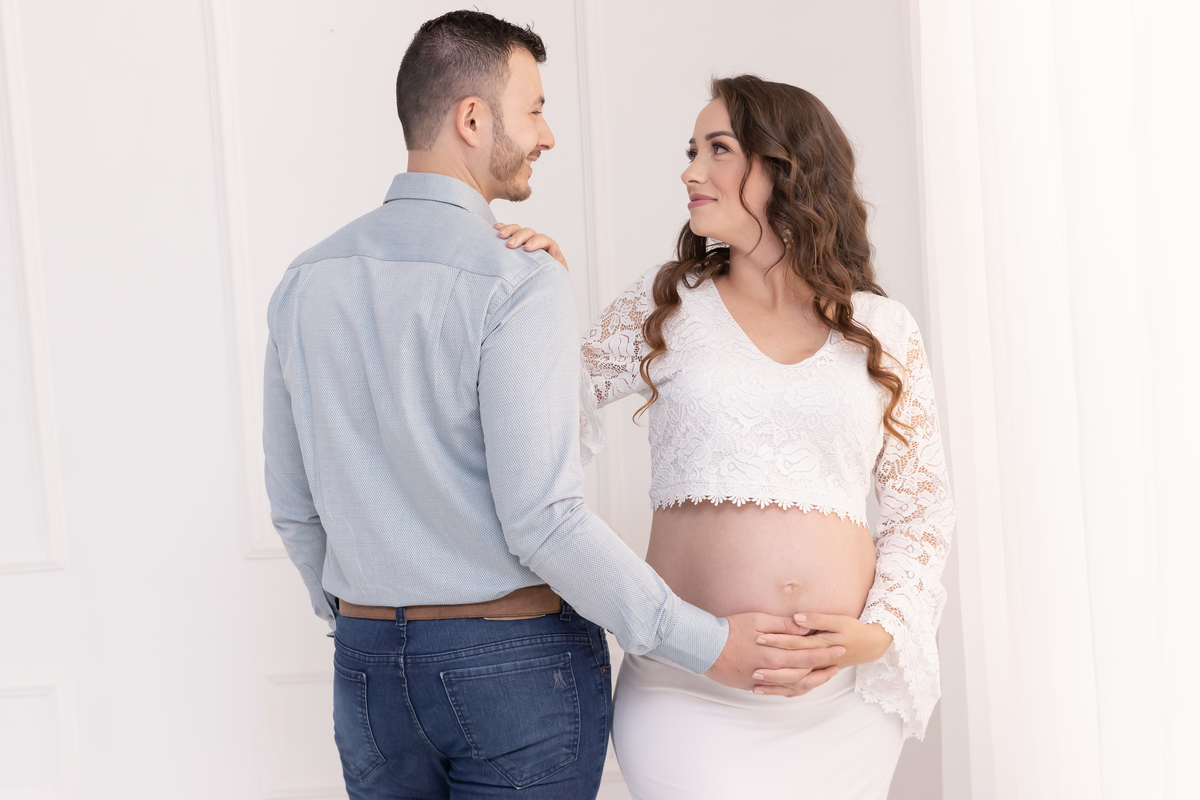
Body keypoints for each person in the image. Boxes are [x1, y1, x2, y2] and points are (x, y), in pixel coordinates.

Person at [262, 14, 840, 800]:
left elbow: (295, 511)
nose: (548, 135)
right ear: (472, 119)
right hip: (511, 667)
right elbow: (543, 518)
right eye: (534, 108)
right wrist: (706, 644)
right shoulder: (515, 281)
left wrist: (366, 621)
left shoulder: (306, 280)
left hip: (367, 671)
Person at [499, 75, 954, 799]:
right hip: (689, 691)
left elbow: (919, 511)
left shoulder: (883, 328)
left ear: (787, 166)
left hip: (844, 706)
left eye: (718, 149)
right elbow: (537, 416)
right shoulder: (667, 307)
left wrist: (881, 632)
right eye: (691, 151)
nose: (690, 171)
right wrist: (538, 295)